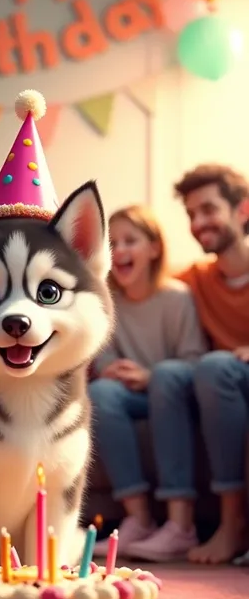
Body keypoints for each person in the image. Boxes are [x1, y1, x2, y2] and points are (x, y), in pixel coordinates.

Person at [89, 205, 207, 561]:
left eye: (130, 241)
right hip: (130, 396)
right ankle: (138, 519)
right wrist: (111, 369)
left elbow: (194, 360)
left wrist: (150, 376)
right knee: (100, 392)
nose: (119, 250)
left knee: (168, 377)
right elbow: (103, 355)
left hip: (173, 393)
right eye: (113, 243)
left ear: (154, 248)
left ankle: (181, 526)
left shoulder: (177, 297)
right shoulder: (106, 303)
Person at [173, 164, 249, 564]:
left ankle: (233, 526)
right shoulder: (196, 278)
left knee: (214, 367)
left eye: (208, 209)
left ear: (243, 210)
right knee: (211, 368)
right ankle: (230, 524)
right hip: (225, 381)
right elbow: (141, 284)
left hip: (228, 372)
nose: (198, 222)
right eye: (190, 214)